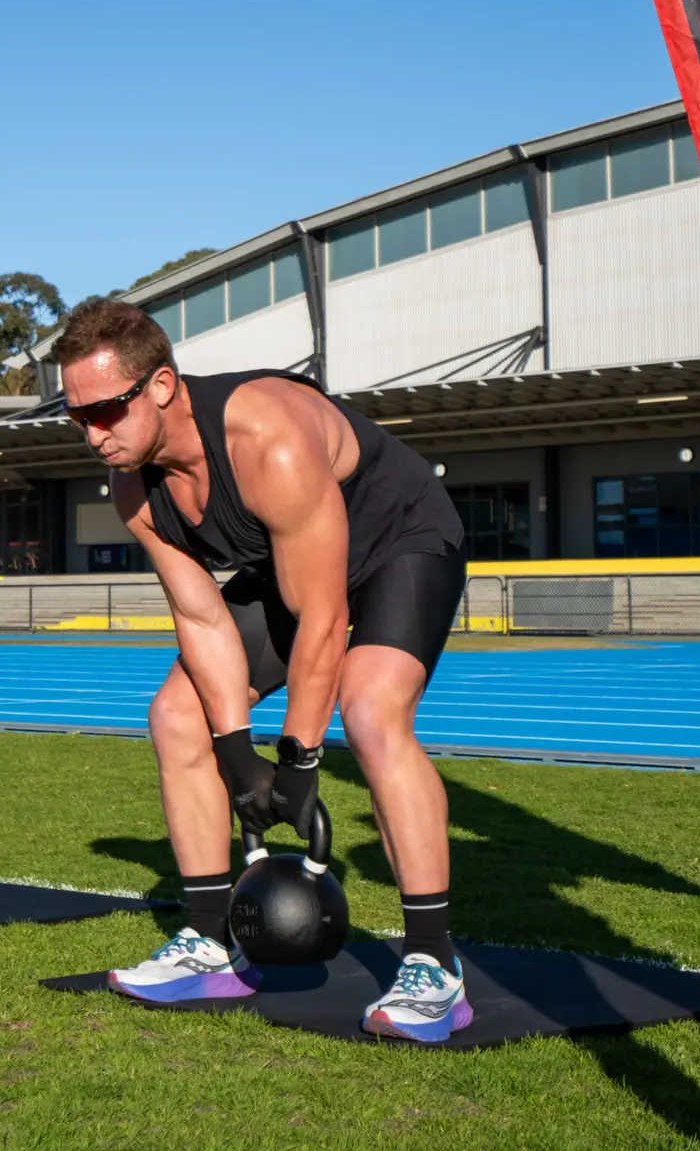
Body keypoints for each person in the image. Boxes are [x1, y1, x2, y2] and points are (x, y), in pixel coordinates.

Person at [51, 298, 470, 1042]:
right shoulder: (133, 488)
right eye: (76, 416)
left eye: (106, 410)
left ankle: (434, 964)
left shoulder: (265, 439)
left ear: (161, 386)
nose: (93, 434)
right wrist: (237, 753)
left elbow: (322, 619)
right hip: (293, 567)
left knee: (371, 711)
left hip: (400, 542)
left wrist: (298, 761)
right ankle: (209, 940)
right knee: (176, 716)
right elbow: (202, 618)